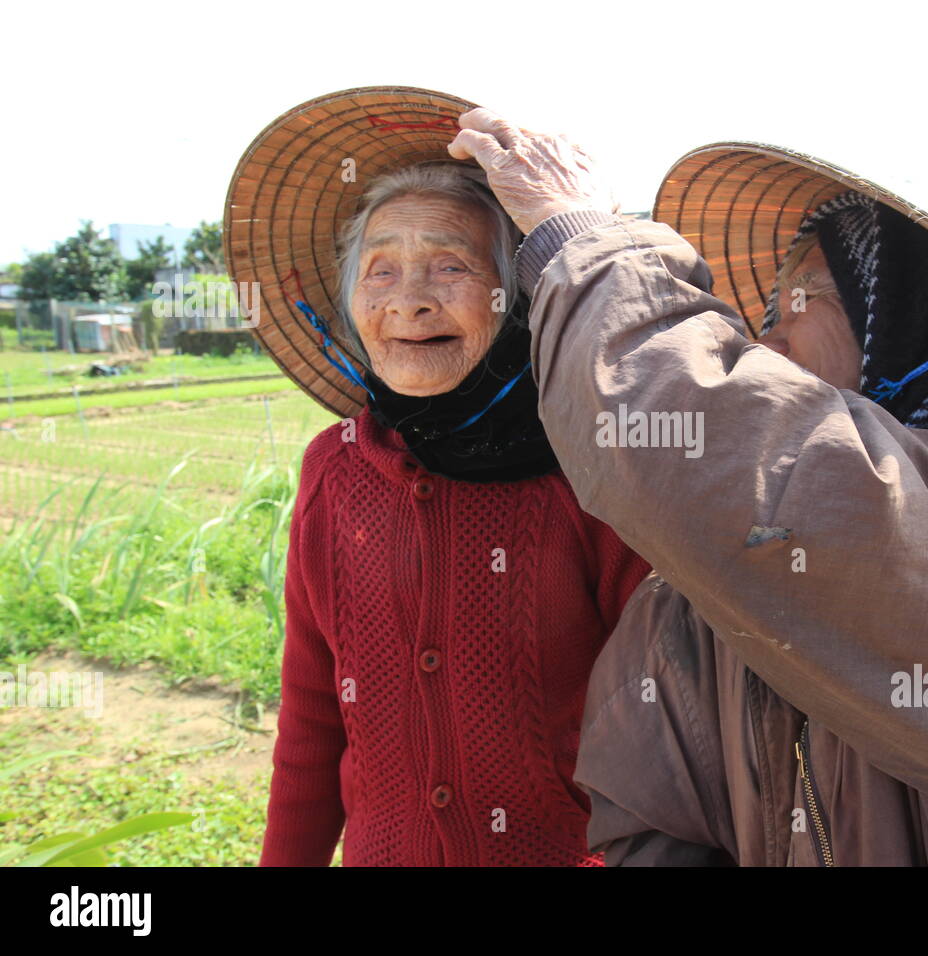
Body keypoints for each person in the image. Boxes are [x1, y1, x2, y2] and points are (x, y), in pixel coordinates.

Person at [450, 112, 928, 865]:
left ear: (917, 317)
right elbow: (651, 803)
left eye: (804, 300)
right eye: (765, 311)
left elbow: (709, 440)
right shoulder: (705, 596)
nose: (768, 342)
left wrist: (581, 244)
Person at [224, 88, 648, 866]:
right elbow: (313, 722)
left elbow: (666, 738)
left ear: (515, 300)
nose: (409, 302)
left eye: (450, 265)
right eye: (381, 270)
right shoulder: (333, 470)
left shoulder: (594, 474)